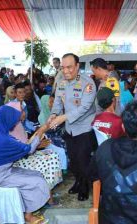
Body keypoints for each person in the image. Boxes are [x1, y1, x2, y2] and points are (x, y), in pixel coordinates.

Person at [0, 105, 50, 224]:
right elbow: (28, 149)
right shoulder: (3, 140)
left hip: (3, 171)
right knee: (37, 182)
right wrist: (41, 130)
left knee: (37, 174)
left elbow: (21, 147)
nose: (15, 124)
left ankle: (26, 209)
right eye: (14, 121)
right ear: (7, 120)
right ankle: (28, 216)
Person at [49, 53, 97, 201]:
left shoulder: (87, 83)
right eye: (63, 67)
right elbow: (57, 102)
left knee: (83, 160)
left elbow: (84, 108)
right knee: (73, 160)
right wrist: (54, 114)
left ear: (77, 66)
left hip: (84, 128)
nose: (66, 71)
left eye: (69, 67)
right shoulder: (62, 83)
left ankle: (84, 186)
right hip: (69, 128)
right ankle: (78, 181)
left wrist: (63, 117)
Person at [7, 101, 63, 189]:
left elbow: (26, 143)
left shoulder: (18, 125)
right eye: (21, 111)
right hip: (17, 162)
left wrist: (38, 140)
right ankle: (45, 191)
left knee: (53, 154)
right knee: (50, 159)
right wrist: (40, 135)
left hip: (26, 153)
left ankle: (47, 188)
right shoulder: (10, 128)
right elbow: (23, 150)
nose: (24, 113)